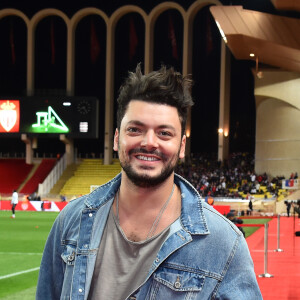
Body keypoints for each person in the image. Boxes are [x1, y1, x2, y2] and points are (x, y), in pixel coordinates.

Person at [36, 65, 262, 299]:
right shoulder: (71, 220)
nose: (149, 142)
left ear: (181, 146)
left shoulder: (223, 243)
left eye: (164, 133)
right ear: (116, 138)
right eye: (135, 129)